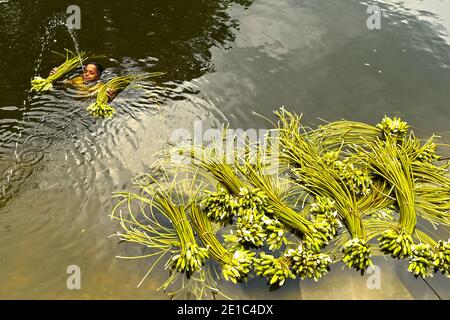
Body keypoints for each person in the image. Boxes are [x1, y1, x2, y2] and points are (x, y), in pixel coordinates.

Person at [50, 62, 117, 102]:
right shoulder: (78, 80)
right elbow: (61, 82)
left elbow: (105, 100)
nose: (86, 74)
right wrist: (55, 75)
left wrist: (111, 98)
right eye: (85, 71)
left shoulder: (101, 87)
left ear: (98, 76)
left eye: (91, 73)